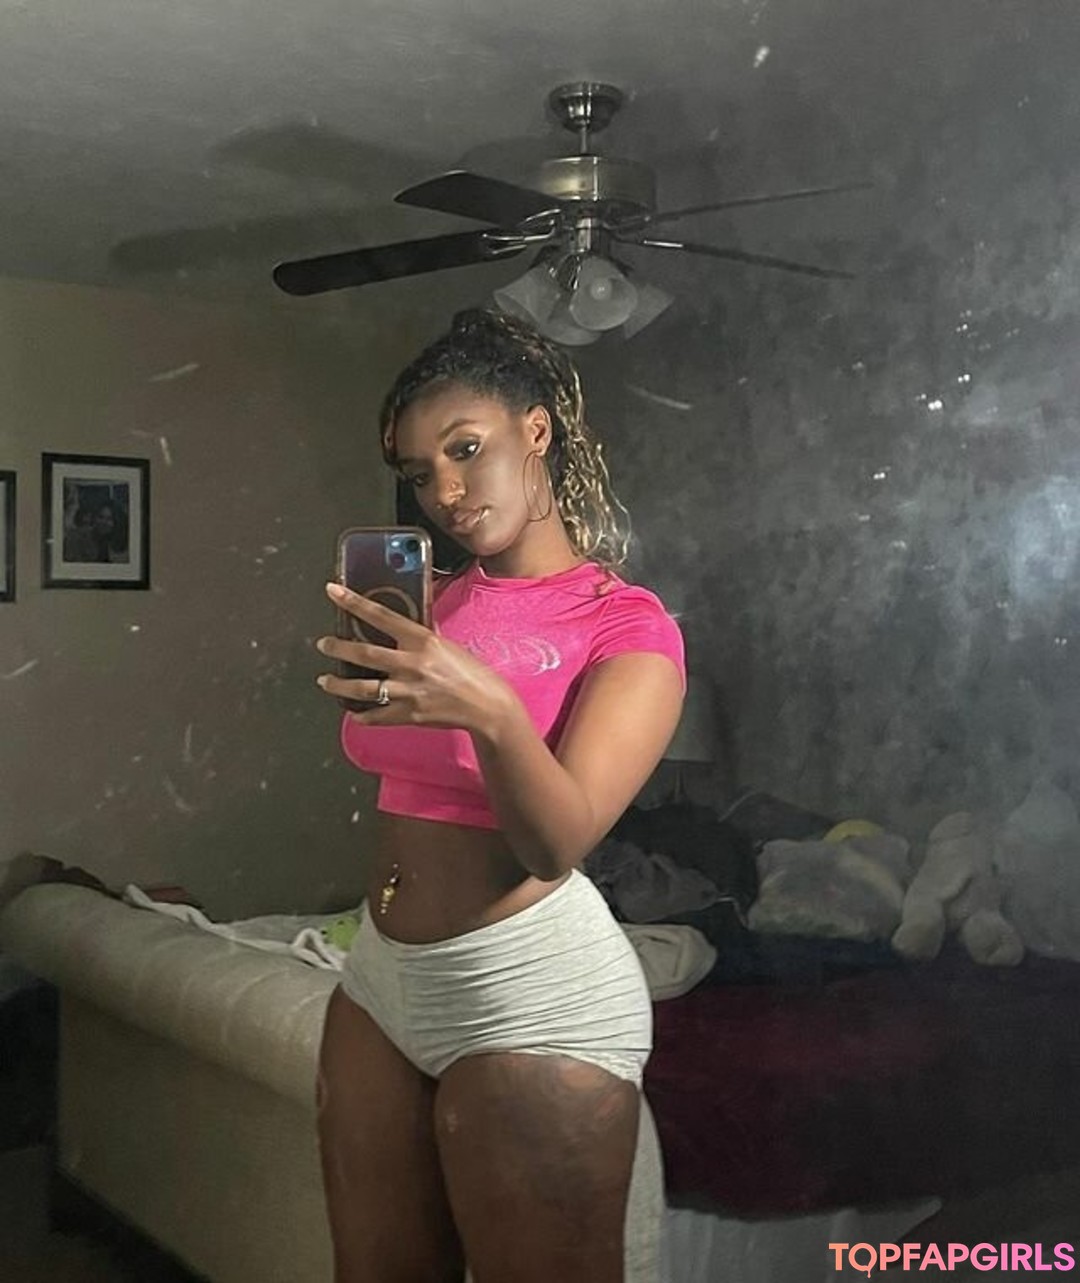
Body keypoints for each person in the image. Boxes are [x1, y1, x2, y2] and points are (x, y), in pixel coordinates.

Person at [314, 307, 686, 1283]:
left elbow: (557, 841)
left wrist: (488, 709)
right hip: (381, 980)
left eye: (465, 449)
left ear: (536, 430)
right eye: (418, 471)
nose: (443, 491)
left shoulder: (627, 626)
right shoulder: (431, 606)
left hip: (530, 993)